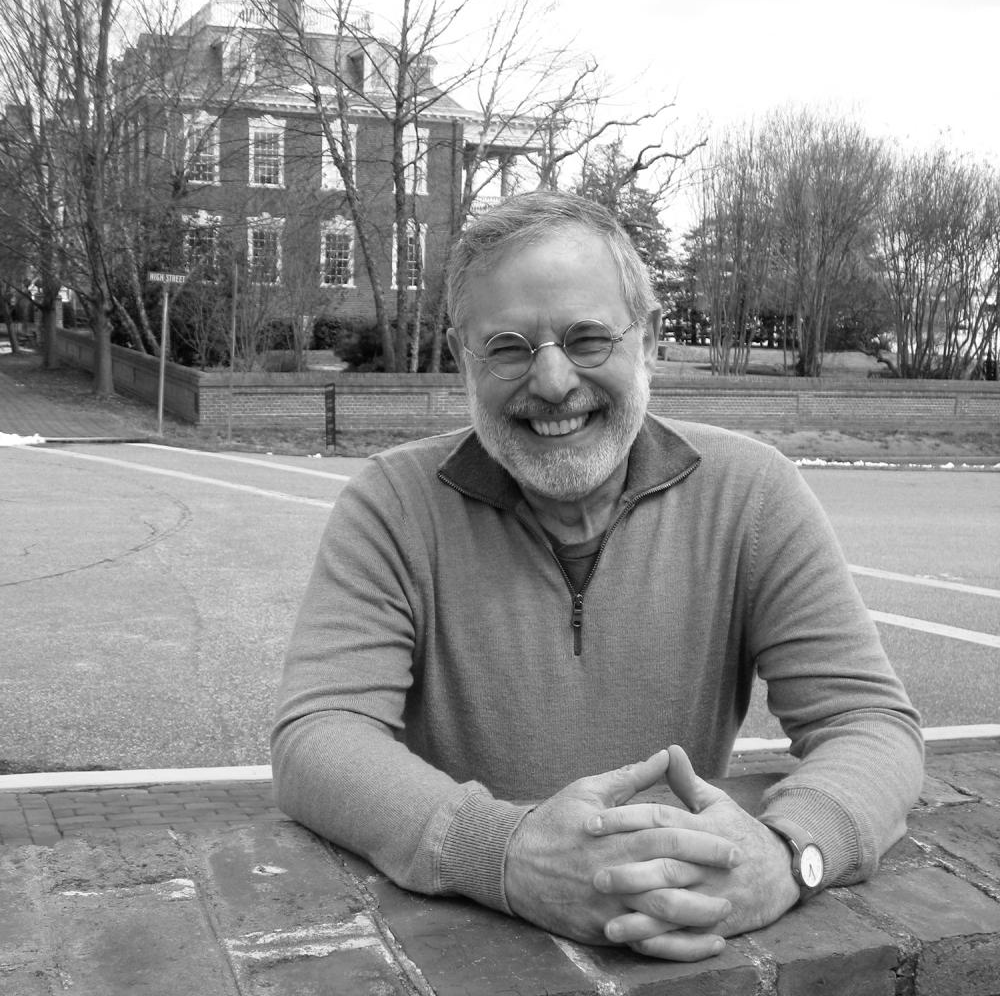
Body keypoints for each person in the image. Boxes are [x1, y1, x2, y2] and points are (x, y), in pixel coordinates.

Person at [271, 191, 923, 962]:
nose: (551, 383)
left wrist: (790, 854)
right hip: (473, 947)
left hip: (688, 942)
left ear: (646, 344)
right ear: (463, 360)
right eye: (509, 347)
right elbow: (318, 737)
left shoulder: (752, 491)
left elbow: (871, 724)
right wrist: (505, 853)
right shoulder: (392, 503)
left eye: (587, 339)